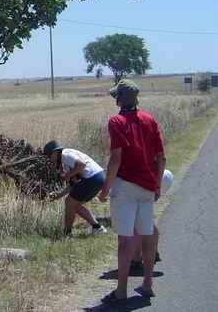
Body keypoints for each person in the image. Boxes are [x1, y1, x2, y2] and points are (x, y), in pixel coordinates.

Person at [98, 79, 166, 303]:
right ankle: (147, 284)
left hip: (125, 185)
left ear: (119, 99)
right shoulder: (149, 119)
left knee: (125, 239)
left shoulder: (116, 121)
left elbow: (116, 159)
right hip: (147, 186)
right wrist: (157, 185)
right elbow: (161, 157)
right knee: (147, 235)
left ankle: (121, 291)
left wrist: (105, 190)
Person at [43, 140, 107, 236]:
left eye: (49, 155)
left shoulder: (65, 155)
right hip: (98, 177)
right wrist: (59, 195)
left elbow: (82, 165)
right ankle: (97, 227)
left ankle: (67, 233)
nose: (49, 158)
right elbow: (74, 184)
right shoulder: (65, 160)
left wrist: (68, 175)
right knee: (74, 205)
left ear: (55, 152)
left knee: (69, 202)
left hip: (92, 177)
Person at [130, 169, 173, 271]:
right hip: (154, 177)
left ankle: (136, 259)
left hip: (149, 180)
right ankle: (153, 251)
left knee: (138, 222)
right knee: (144, 219)